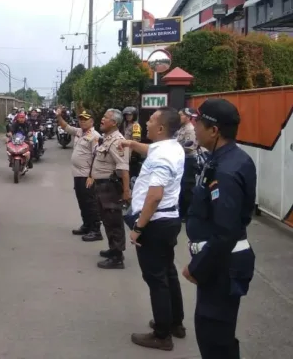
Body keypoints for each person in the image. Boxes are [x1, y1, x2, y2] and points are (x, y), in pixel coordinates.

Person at [183, 98, 256, 359]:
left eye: (198, 123)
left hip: (221, 265)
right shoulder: (224, 159)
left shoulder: (226, 169)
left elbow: (226, 232)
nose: (194, 127)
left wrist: (197, 266)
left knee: (215, 338)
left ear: (214, 131)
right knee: (214, 333)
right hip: (219, 262)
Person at [120, 108, 185, 351]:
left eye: (151, 120)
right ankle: (174, 323)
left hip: (155, 223)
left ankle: (161, 334)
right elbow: (149, 150)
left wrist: (138, 227)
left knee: (156, 278)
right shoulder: (171, 146)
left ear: (160, 129)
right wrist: (130, 143)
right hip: (168, 221)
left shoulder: (162, 157)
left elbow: (154, 196)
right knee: (168, 272)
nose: (146, 122)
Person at [88, 109, 131, 269]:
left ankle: (117, 257)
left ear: (114, 122)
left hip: (110, 187)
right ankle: (113, 249)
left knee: (114, 220)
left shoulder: (117, 141)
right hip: (102, 186)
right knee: (106, 219)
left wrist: (126, 191)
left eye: (106, 117)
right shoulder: (106, 138)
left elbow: (123, 167)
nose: (102, 119)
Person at [57, 108, 102, 241]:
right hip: (78, 174)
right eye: (81, 119)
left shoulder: (95, 136)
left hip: (87, 175)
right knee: (82, 201)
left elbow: (97, 157)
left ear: (92, 121)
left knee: (90, 202)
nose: (82, 122)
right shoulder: (79, 132)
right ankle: (87, 225)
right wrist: (59, 116)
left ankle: (96, 230)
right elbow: (65, 127)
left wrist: (92, 176)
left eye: (85, 119)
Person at [176, 108, 198, 220]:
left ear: (188, 117)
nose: (179, 117)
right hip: (182, 160)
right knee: (181, 186)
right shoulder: (182, 128)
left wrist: (175, 149)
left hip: (188, 161)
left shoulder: (190, 130)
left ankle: (187, 213)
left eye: (181, 115)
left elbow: (189, 148)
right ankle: (182, 211)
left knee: (187, 187)